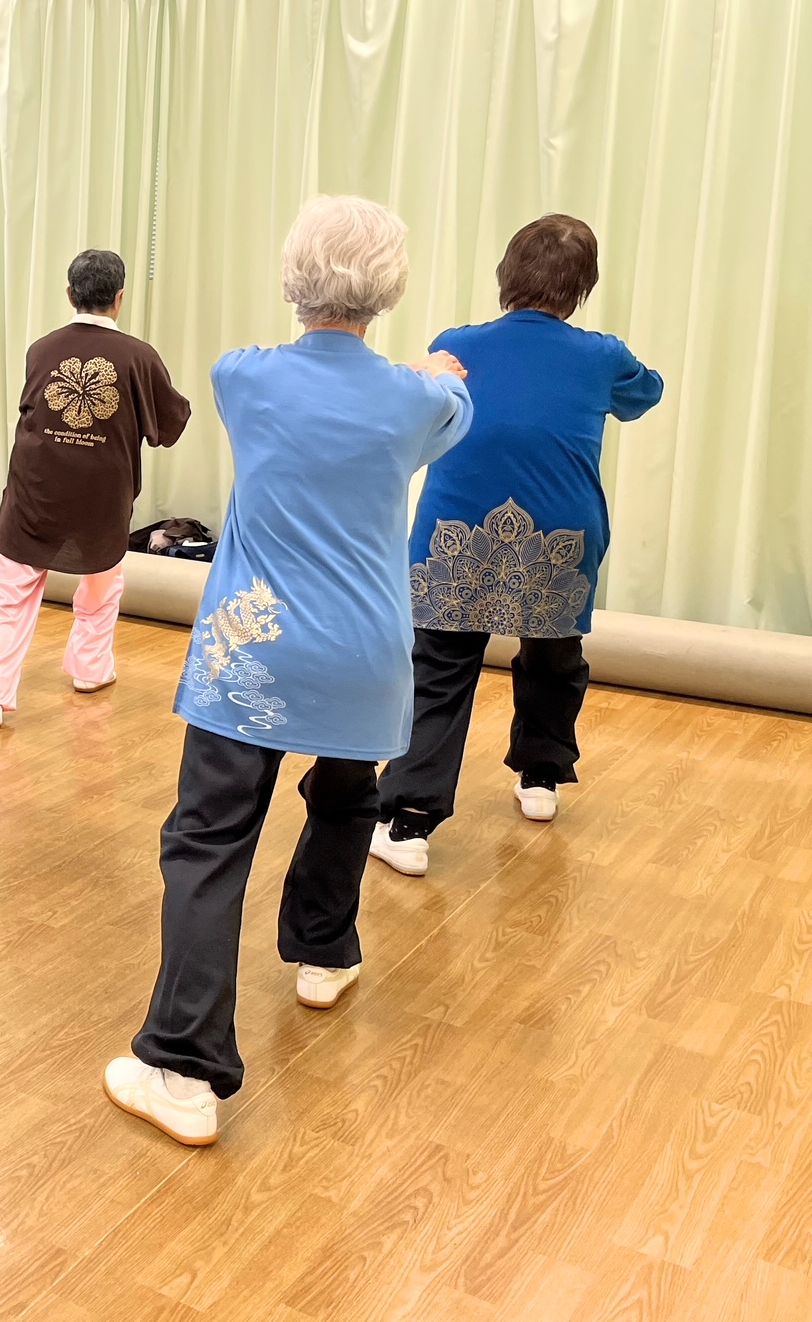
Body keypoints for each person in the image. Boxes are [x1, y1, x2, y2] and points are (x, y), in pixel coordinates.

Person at [104, 196, 473, 1147]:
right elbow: (450, 410)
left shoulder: (244, 375)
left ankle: (183, 1068)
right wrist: (431, 371)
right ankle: (323, 952)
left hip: (254, 651)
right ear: (390, 289)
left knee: (209, 839)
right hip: (365, 656)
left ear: (292, 279)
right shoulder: (421, 400)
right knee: (347, 797)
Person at [369, 214, 663, 877]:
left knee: (439, 669)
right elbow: (645, 393)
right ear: (583, 287)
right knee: (553, 655)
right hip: (562, 532)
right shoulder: (603, 356)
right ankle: (541, 776)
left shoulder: (456, 343)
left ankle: (408, 822)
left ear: (506, 275)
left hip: (455, 531)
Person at [0, 249, 191, 730]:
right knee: (102, 583)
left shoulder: (42, 348)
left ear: (70, 294)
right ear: (119, 297)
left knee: (5, 593)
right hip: (105, 499)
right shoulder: (140, 357)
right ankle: (91, 669)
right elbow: (171, 425)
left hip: (36, 495)